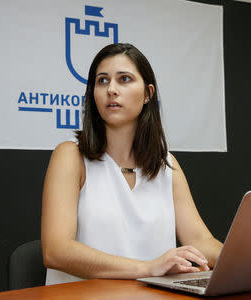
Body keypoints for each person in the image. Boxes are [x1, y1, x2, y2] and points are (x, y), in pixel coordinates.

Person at [41, 43, 223, 285]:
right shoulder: (70, 156)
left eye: (124, 79)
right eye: (102, 81)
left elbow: (201, 241)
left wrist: (250, 261)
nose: (111, 90)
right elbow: (56, 250)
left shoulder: (167, 164)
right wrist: (147, 268)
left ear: (148, 93)